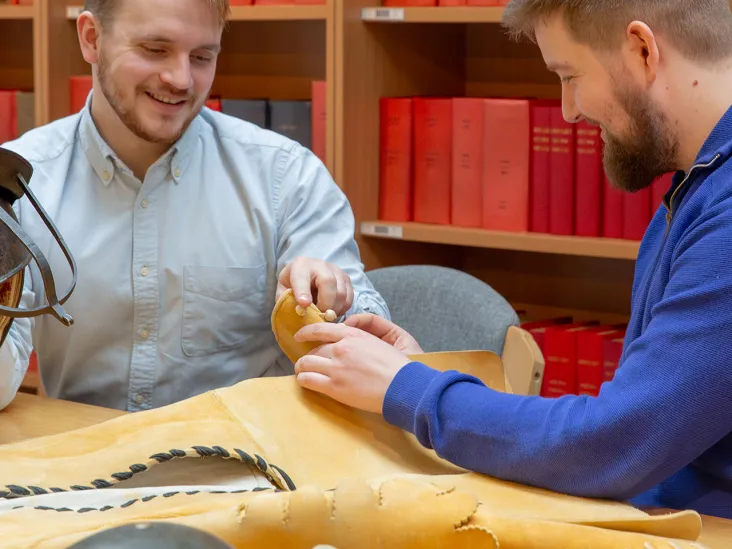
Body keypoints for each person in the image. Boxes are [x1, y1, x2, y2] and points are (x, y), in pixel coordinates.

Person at [291, 0, 732, 519]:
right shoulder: (697, 188)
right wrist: (413, 372)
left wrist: (406, 388)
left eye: (570, 76)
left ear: (641, 50)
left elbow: (612, 446)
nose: (568, 110)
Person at [0, 0, 388, 412]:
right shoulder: (17, 184)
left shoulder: (286, 177)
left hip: (248, 467)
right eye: (155, 49)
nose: (181, 79)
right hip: (83, 465)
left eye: (202, 56)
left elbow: (371, 349)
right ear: (91, 38)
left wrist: (336, 300)